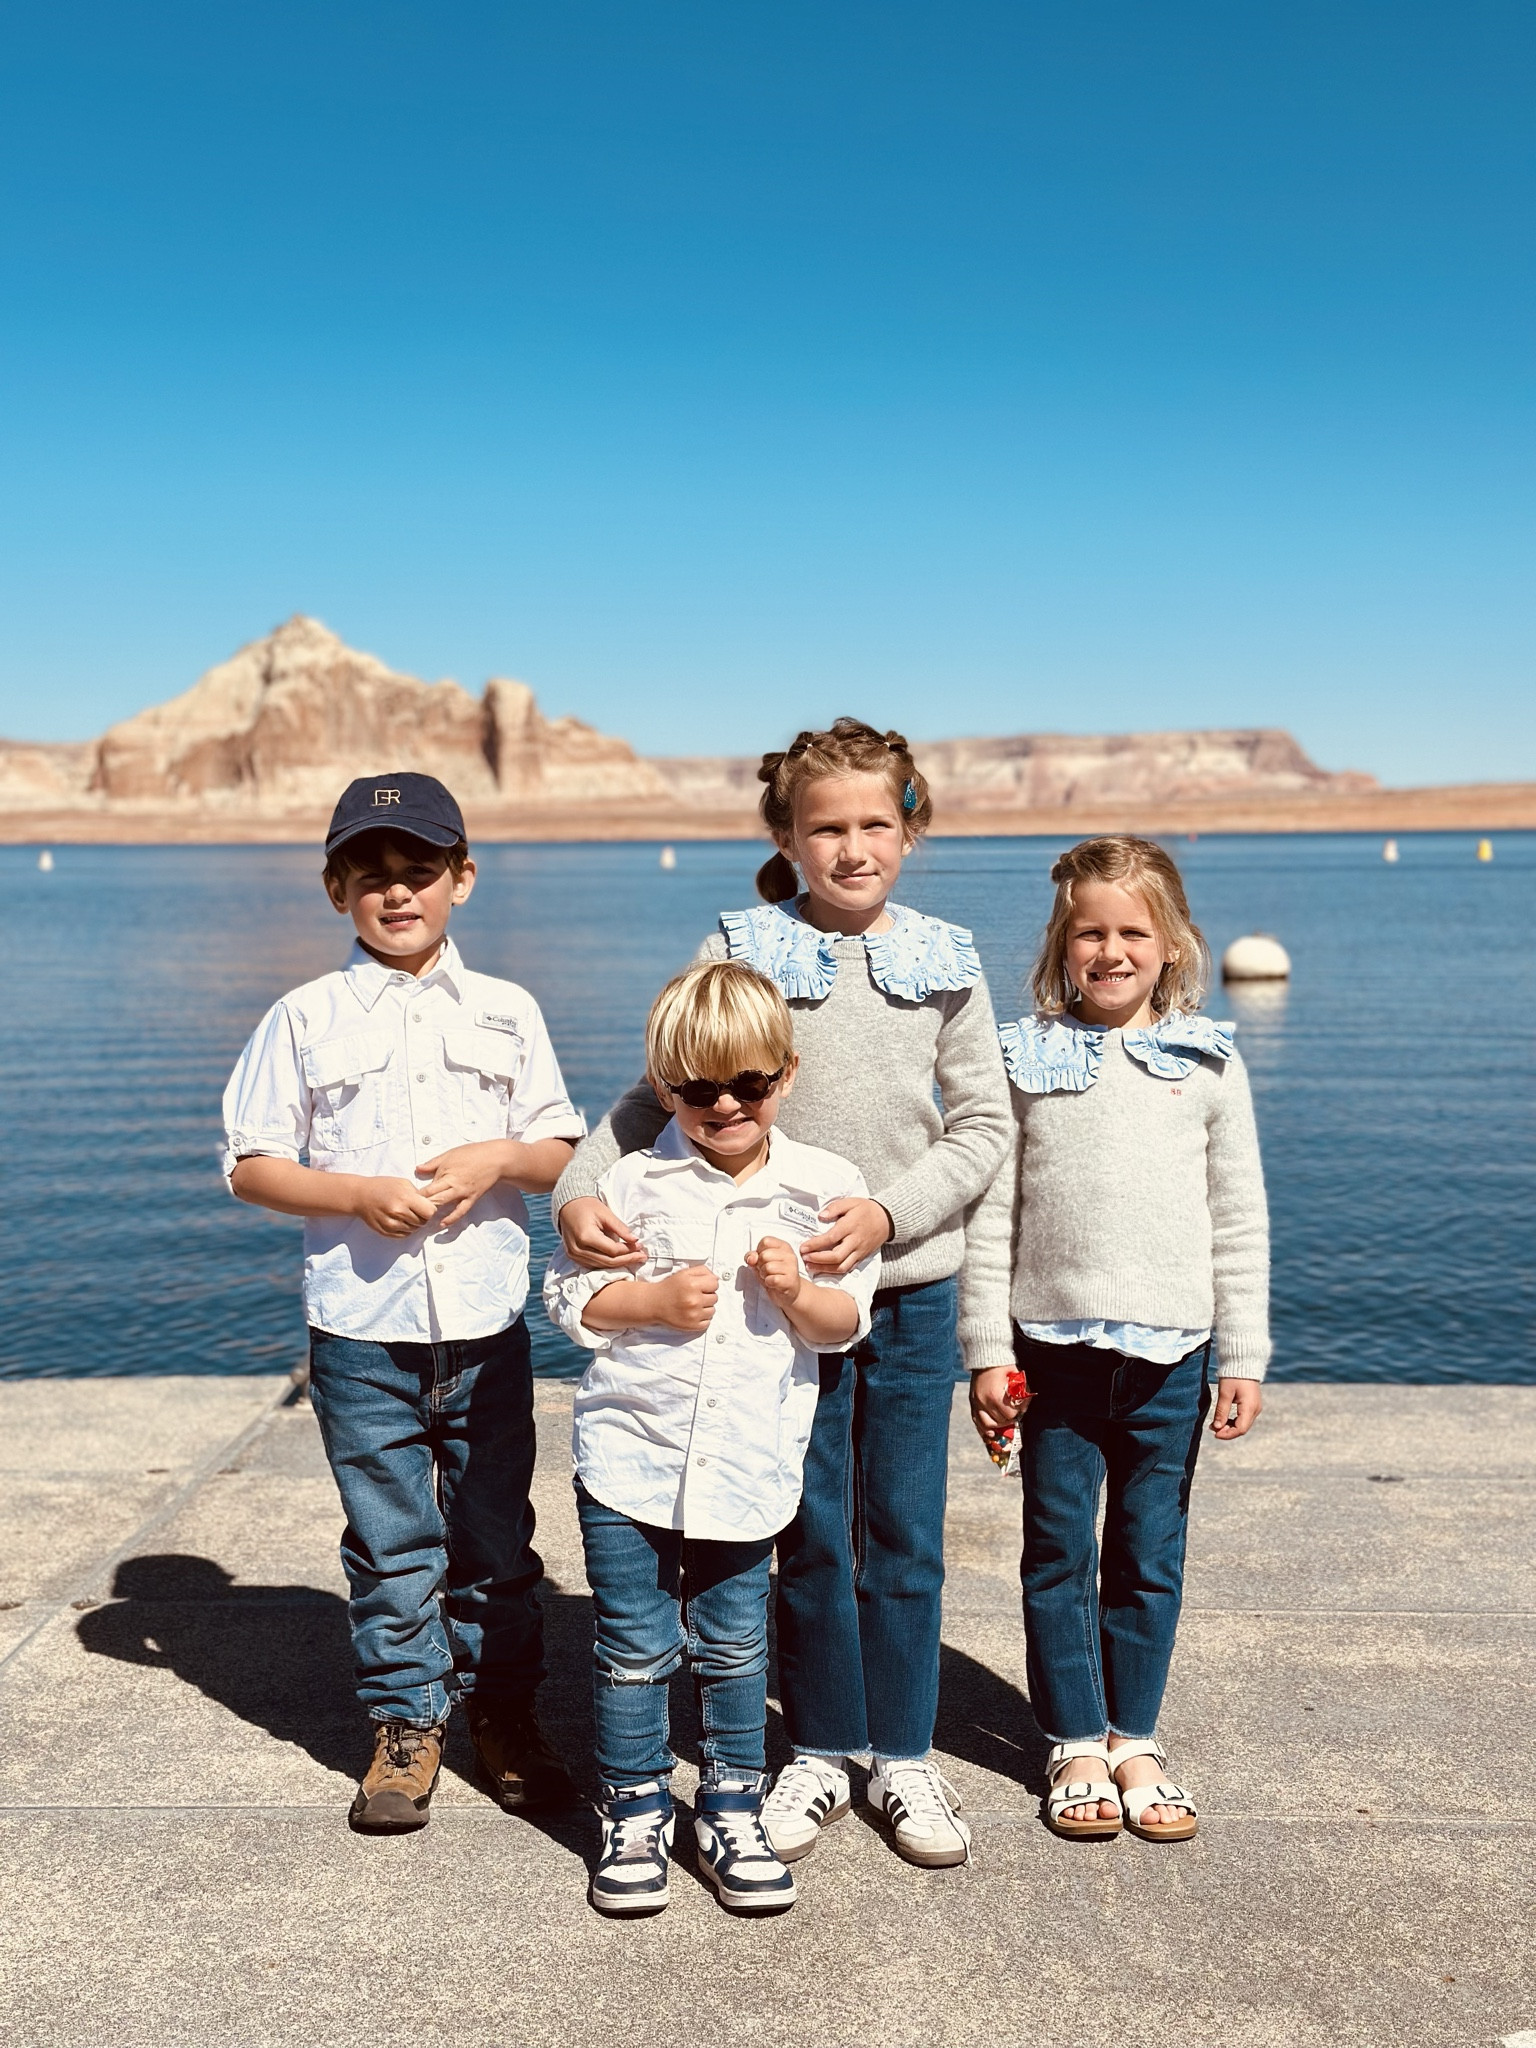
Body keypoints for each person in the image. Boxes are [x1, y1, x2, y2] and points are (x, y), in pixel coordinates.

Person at [553, 720, 1013, 1870]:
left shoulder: (948, 958)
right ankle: (818, 1745)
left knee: (900, 1535)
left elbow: (985, 1123)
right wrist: (572, 1191)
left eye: (874, 823)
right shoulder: (745, 942)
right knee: (799, 1528)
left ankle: (901, 1755)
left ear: (911, 825)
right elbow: (654, 1087)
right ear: (786, 836)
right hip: (768, 1307)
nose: (852, 848)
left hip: (900, 1289)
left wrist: (889, 1213)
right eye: (826, 828)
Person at [222, 772, 586, 1833]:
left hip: (486, 1326)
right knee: (390, 1542)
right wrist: (352, 1194)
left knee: (495, 1536)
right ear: (337, 888)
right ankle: (405, 1721)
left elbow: (559, 1148)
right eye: (372, 875)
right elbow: (250, 1164)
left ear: (461, 880)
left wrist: (498, 1159)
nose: (397, 893)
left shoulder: (507, 1010)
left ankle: (506, 1714)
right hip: (360, 1334)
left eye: (419, 871)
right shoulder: (303, 1016)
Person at [545, 959, 880, 1916]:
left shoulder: (827, 1187)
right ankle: (635, 1806)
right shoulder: (633, 1181)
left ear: (787, 1075)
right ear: (664, 1089)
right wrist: (646, 1298)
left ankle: (731, 1803)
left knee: (735, 1641)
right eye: (697, 1088)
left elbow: (843, 1323)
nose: (725, 1103)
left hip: (747, 1464)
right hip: (628, 1456)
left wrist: (797, 1293)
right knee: (631, 1642)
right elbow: (568, 1298)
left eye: (750, 1084)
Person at [965, 834, 1269, 1843]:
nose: (1110, 948)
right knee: (1055, 1551)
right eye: (1089, 930)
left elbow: (1240, 1218)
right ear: (1062, 943)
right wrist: (984, 1352)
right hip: (1047, 1353)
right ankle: (1073, 1740)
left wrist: (1244, 1354)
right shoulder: (1026, 1058)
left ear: (1171, 943)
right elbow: (990, 1215)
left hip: (1172, 1360)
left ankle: (1136, 1734)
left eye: (1132, 930)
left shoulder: (1209, 1061)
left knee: (1149, 1550)